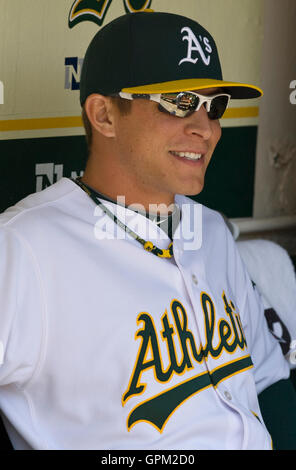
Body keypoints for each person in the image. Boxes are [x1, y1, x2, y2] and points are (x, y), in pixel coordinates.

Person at [0, 10, 295, 451]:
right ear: (104, 115)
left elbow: (268, 379)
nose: (205, 129)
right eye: (178, 102)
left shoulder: (211, 231)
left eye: (214, 106)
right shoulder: (24, 247)